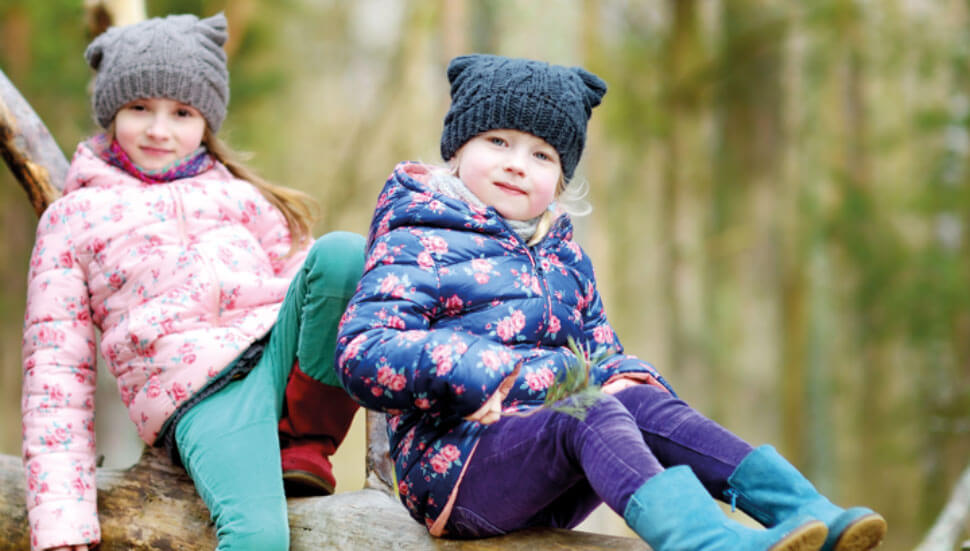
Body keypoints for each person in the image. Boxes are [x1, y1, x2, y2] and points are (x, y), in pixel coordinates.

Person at [335, 53, 887, 551]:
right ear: (458, 149)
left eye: (542, 154)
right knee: (588, 406)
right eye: (497, 142)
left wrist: (627, 377)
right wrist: (473, 368)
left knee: (634, 401)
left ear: (561, 177)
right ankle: (704, 541)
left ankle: (802, 510)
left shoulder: (560, 251)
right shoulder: (420, 231)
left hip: (555, 470)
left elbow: (599, 352)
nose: (517, 164)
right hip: (456, 473)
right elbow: (365, 349)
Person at [21, 13, 363, 551]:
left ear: (206, 120)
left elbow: (311, 286)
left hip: (276, 353)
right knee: (259, 538)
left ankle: (303, 444)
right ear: (112, 112)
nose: (160, 129)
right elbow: (55, 374)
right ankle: (267, 453)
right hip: (201, 393)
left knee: (345, 256)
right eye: (140, 108)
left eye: (181, 112)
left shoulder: (243, 198)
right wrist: (63, 523)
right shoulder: (75, 218)